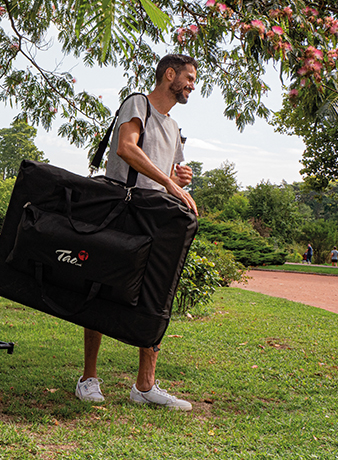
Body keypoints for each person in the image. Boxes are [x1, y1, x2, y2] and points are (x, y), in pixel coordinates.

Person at [75, 54, 198, 411]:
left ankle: (145, 386)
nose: (192, 85)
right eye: (189, 78)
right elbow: (126, 149)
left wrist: (177, 180)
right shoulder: (137, 103)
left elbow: (161, 174)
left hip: (153, 216)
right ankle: (88, 378)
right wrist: (171, 185)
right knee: (100, 288)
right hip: (122, 208)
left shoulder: (174, 127)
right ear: (169, 75)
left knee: (155, 295)